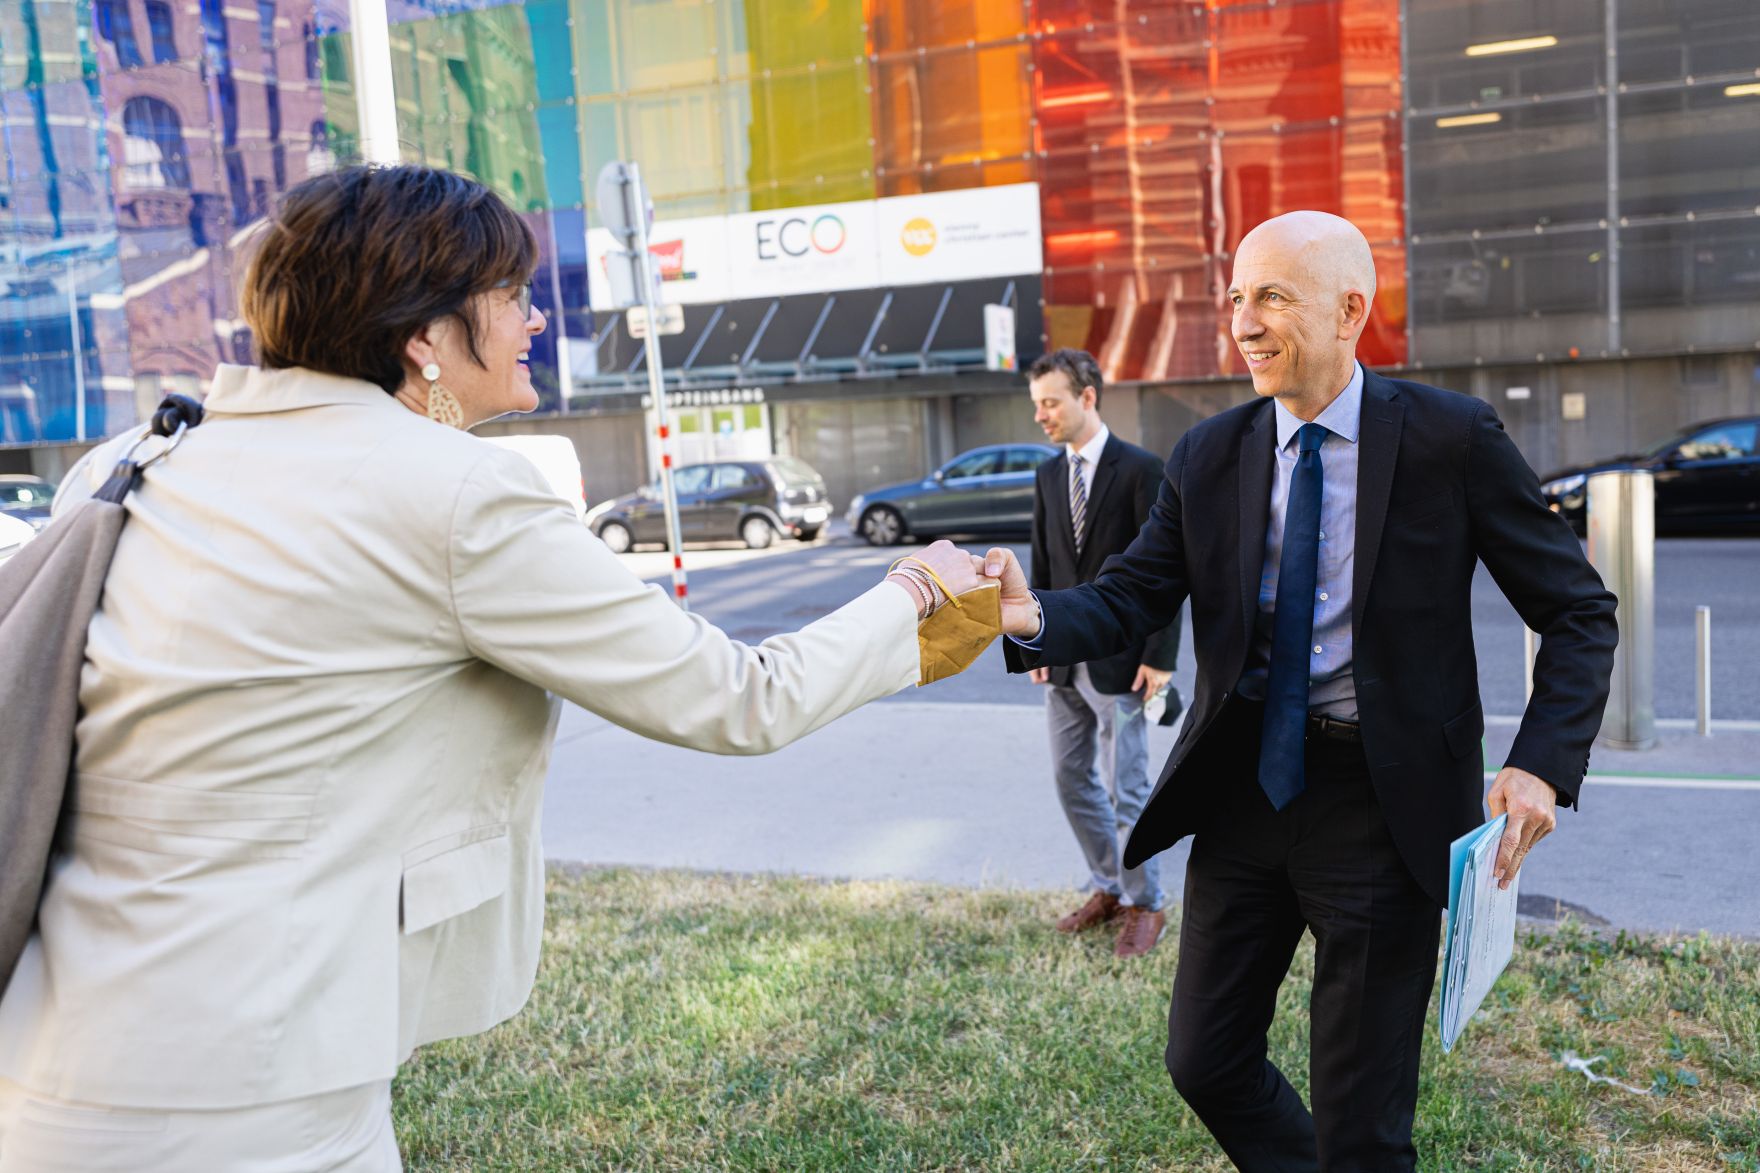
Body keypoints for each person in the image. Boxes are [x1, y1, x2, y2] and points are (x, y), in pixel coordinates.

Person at [0, 165, 988, 1172]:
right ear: (423, 337)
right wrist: (916, 595)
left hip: (45, 1058)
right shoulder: (458, 495)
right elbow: (739, 699)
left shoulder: (136, 457)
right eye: (512, 296)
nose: (534, 320)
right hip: (256, 1090)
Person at [986, 211, 1617, 1170]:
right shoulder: (1210, 453)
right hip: (1245, 793)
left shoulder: (1451, 439)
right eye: (1236, 297)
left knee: (1364, 1122)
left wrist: (1538, 763)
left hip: (1383, 803)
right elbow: (1130, 596)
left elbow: (1577, 609)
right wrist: (1034, 616)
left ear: (1349, 309)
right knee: (1206, 1059)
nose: (1243, 321)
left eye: (1271, 296)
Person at [1024, 348, 1181, 958]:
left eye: (1051, 402)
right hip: (1062, 660)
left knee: (1129, 788)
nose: (1042, 415)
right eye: (1036, 404)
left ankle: (1148, 903)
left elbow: (1173, 570)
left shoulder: (1143, 470)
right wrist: (1033, 639)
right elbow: (1042, 568)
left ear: (1087, 397)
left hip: (1125, 665)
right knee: (1071, 779)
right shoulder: (1046, 476)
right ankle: (1109, 887)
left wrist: (1161, 657)